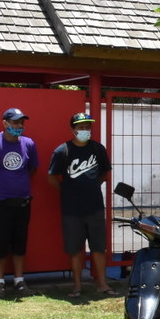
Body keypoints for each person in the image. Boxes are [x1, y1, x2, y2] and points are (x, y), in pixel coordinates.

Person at [47, 113, 115, 298]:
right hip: (72, 209)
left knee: (99, 247)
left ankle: (102, 284)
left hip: (94, 206)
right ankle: (77, 286)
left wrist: (90, 188)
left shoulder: (98, 149)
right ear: (73, 129)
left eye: (87, 126)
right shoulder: (62, 151)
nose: (85, 130)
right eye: (81, 127)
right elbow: (52, 177)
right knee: (75, 248)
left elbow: (105, 174)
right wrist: (67, 190)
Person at [0, 108, 38, 297]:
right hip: (0, 202)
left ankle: (19, 281)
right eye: (15, 122)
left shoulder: (28, 144)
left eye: (22, 123)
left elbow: (32, 169)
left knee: (20, 242)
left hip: (23, 201)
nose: (19, 126)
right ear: (5, 123)